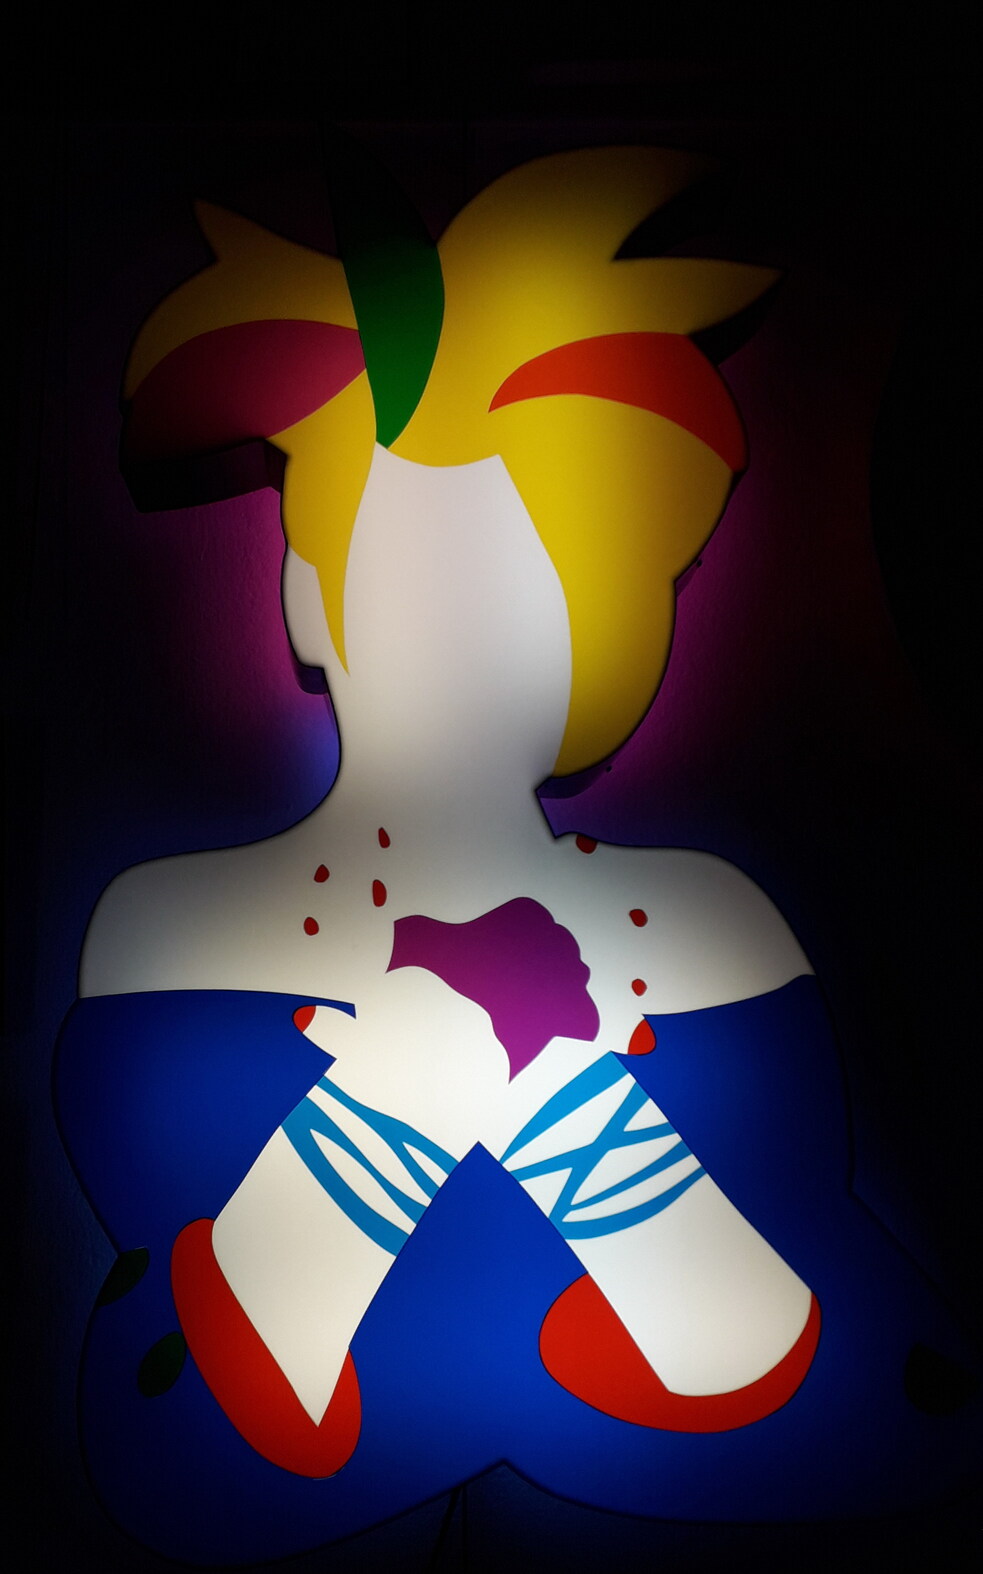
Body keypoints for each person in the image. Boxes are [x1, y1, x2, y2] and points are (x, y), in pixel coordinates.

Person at [55, 142, 978, 1561]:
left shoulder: (709, 934)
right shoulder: (169, 942)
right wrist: (395, 1090)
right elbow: (161, 1432)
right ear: (303, 587)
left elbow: (899, 1394)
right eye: (418, 567)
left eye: (545, 578)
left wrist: (565, 1100)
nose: (476, 633)